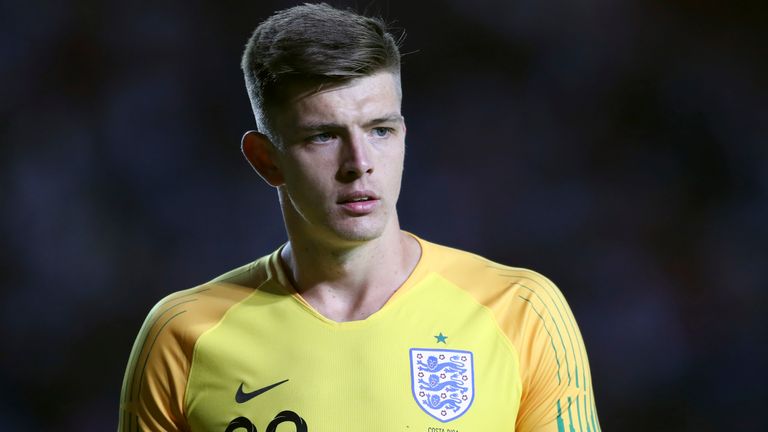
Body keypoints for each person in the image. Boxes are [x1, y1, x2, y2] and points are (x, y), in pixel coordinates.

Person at [118, 3, 600, 431]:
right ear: (266, 159)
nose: (359, 162)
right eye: (323, 136)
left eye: (380, 130)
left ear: (404, 135)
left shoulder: (519, 311)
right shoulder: (183, 335)